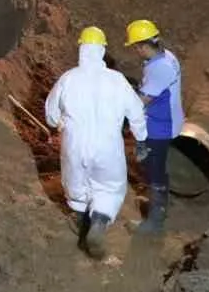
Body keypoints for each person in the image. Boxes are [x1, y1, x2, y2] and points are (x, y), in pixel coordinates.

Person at [44, 26, 150, 259]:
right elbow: (136, 113)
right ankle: (99, 222)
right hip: (107, 148)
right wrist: (141, 140)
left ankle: (81, 225)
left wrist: (58, 121)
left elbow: (50, 114)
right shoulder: (117, 80)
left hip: (75, 146)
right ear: (102, 51)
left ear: (81, 49)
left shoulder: (68, 79)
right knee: (109, 189)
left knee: (77, 188)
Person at [125, 18, 184, 235]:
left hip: (161, 127)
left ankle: (155, 221)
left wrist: (121, 100)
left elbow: (141, 101)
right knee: (155, 166)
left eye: (136, 47)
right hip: (165, 120)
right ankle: (157, 203)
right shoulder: (166, 56)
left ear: (142, 46)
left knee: (154, 169)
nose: (136, 51)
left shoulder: (160, 68)